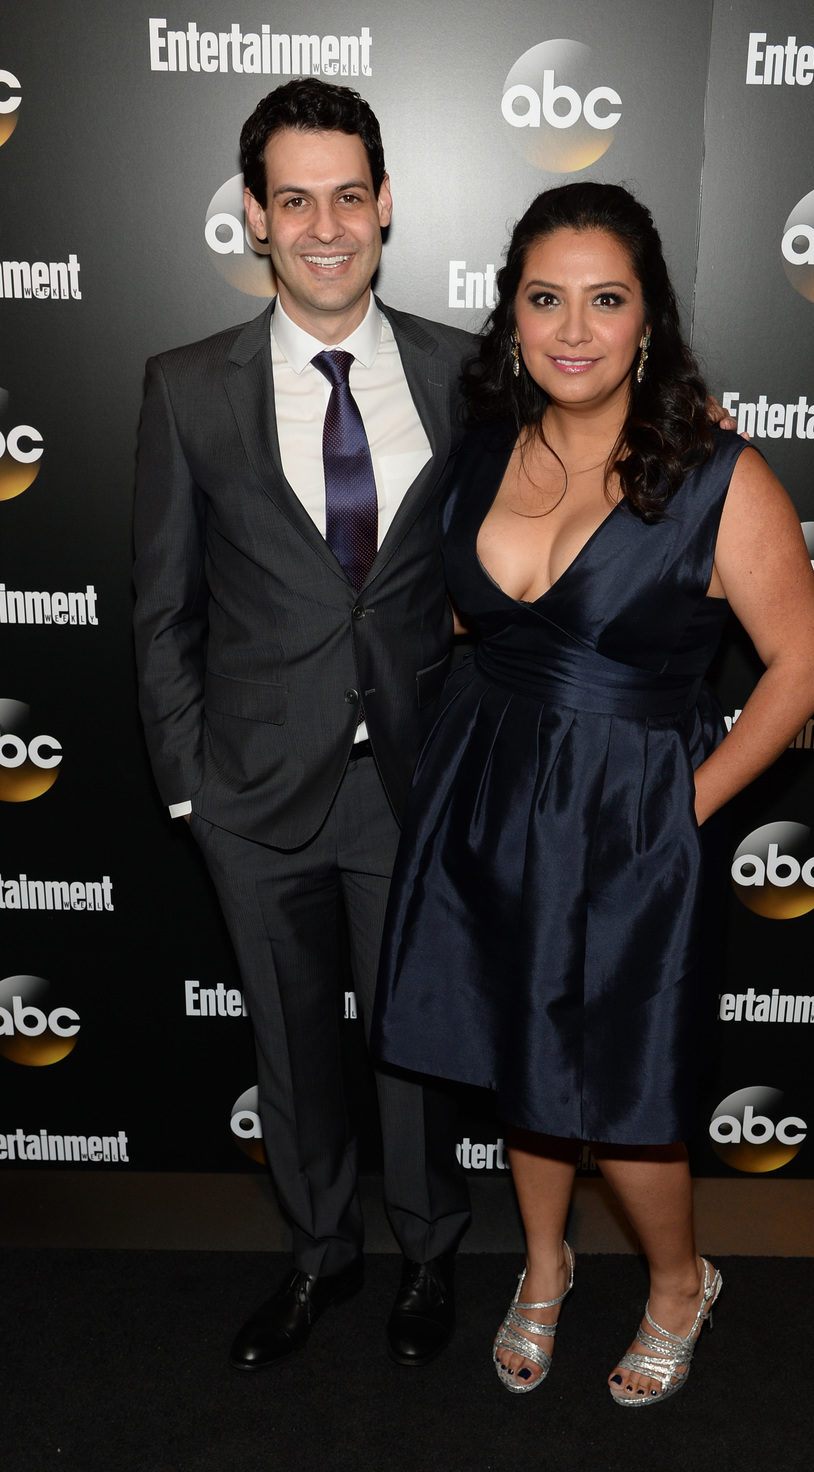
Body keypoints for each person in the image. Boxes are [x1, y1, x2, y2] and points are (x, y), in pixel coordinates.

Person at [372, 182, 814, 1405]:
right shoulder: (483, 450)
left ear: (649, 320)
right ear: (511, 316)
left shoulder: (714, 475)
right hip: (489, 795)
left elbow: (806, 664)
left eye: (605, 298)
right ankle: (541, 1266)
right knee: (518, 1058)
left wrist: (681, 805)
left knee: (628, 1098)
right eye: (544, 298)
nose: (572, 327)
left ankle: (679, 1280)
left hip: (629, 820)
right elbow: (476, 623)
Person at [132, 79, 474, 1372]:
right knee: (290, 1043)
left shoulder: (460, 372)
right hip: (252, 791)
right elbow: (158, 607)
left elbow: (566, 489)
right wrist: (187, 791)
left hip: (411, 781)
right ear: (255, 222)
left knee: (414, 1041)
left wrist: (696, 441)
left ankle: (429, 1254)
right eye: (295, 201)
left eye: (349, 197)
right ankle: (320, 1255)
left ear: (386, 208)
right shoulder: (184, 390)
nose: (325, 226)